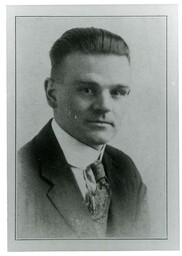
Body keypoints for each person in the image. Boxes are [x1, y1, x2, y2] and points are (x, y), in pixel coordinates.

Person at [17, 27, 150, 239]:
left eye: (117, 92)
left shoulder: (127, 171)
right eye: (87, 90)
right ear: (52, 94)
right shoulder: (16, 176)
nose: (105, 106)